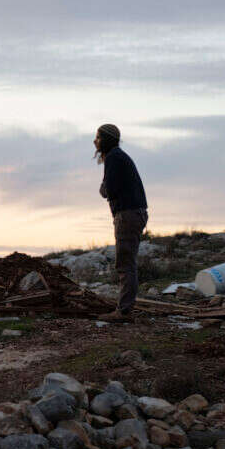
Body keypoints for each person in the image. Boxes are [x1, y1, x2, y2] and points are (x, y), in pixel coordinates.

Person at [95, 123, 148, 321]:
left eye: (98, 137)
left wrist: (104, 188)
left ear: (106, 140)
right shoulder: (117, 157)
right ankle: (125, 307)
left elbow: (109, 190)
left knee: (125, 264)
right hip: (133, 213)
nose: (95, 141)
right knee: (128, 262)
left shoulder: (114, 158)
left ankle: (124, 311)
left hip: (127, 215)